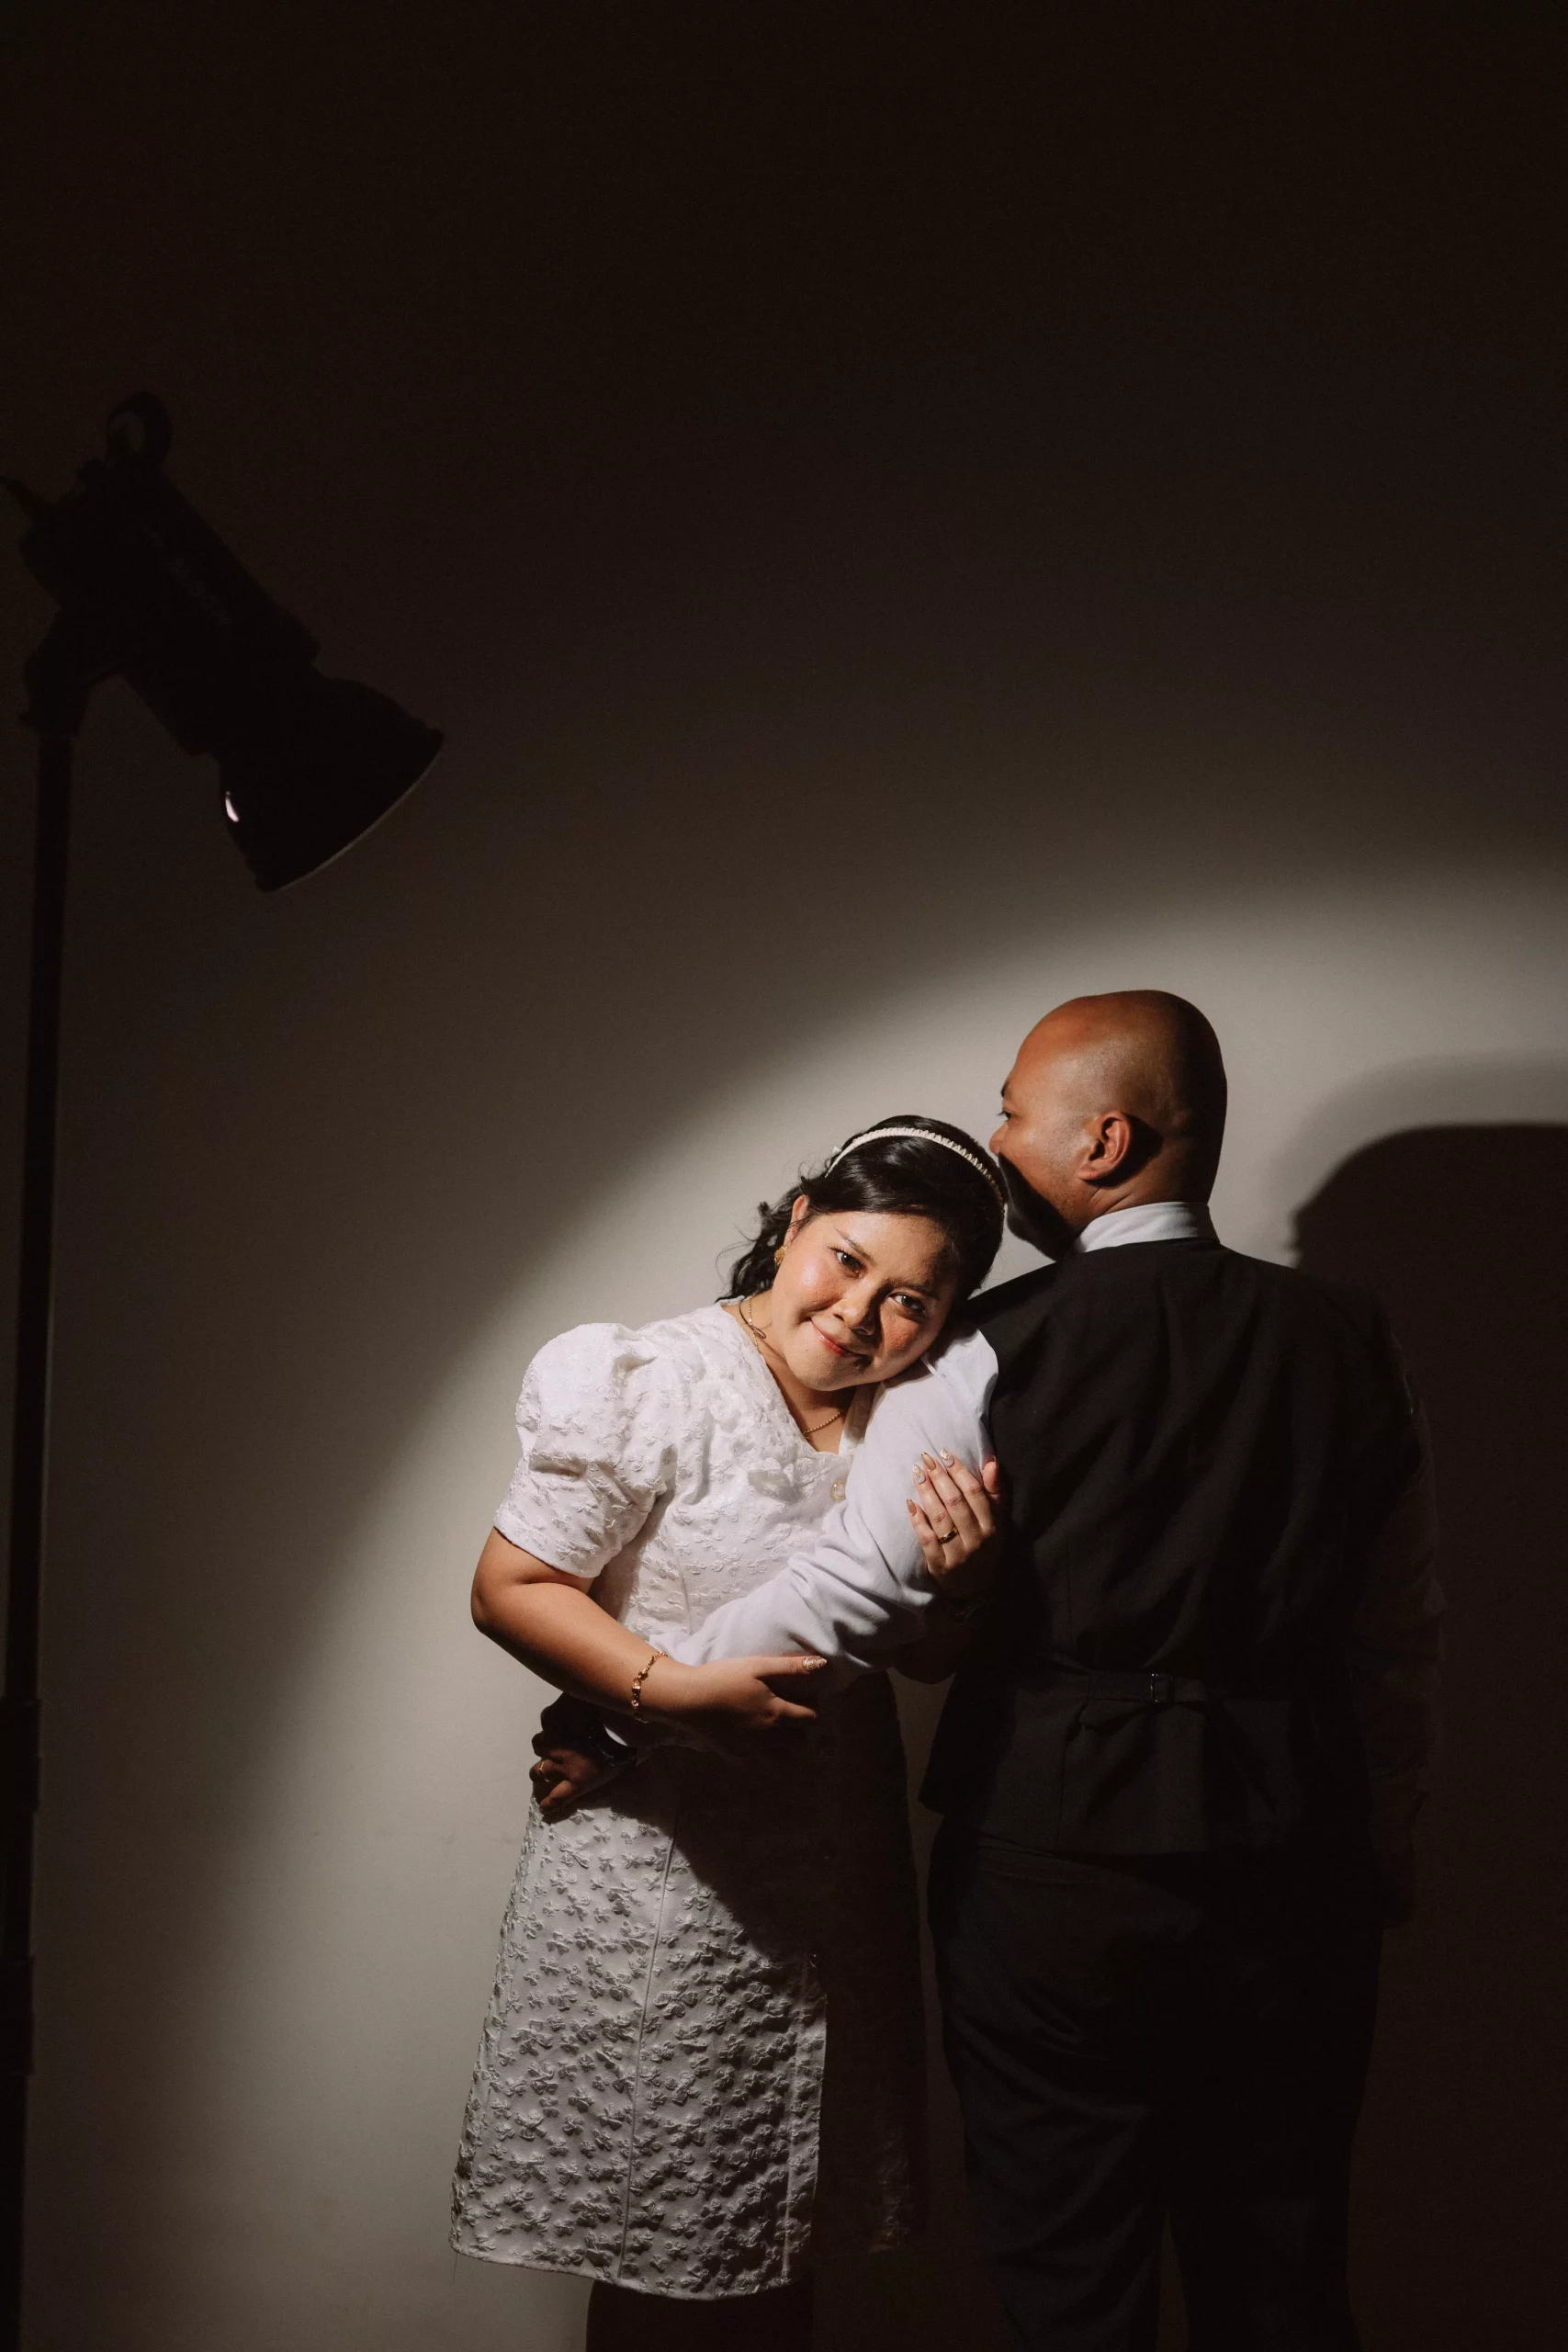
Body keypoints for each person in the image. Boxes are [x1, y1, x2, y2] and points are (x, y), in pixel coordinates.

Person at [674, 991, 1443, 2352]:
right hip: (1295, 1853)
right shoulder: (1355, 1335)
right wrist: (1381, 1843)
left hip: (1049, 1860)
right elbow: (1395, 1639)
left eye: (1013, 1113)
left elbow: (848, 1595)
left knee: (1067, 2279)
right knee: (1283, 2275)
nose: (995, 1142)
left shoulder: (979, 1342)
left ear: (1103, 1143)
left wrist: (630, 1706)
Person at [450, 1116, 1008, 2352]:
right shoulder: (651, 1378)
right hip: (666, 1881)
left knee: (780, 2232)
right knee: (661, 2247)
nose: (859, 1315)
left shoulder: (912, 1414)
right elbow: (510, 1589)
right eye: (847, 1260)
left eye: (911, 1300)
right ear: (799, 1218)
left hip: (833, 1879)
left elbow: (914, 1654)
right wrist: (668, 1693)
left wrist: (965, 1589)